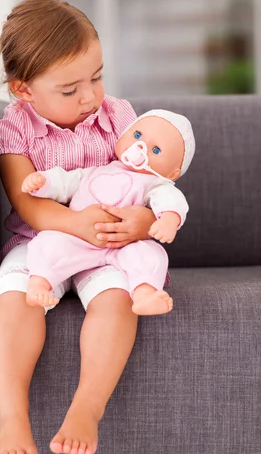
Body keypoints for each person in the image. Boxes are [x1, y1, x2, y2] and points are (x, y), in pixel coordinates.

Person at [0, 0, 157, 454]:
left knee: (117, 300)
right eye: (70, 89)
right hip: (40, 242)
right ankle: (12, 416)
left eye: (97, 76)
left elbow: (147, 184)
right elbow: (27, 203)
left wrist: (142, 222)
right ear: (24, 90)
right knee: (17, 298)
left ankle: (88, 405)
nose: (90, 96)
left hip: (105, 247)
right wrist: (74, 223)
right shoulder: (14, 130)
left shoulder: (119, 117)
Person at [21, 109, 195, 315]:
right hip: (79, 238)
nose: (140, 147)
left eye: (156, 150)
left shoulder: (154, 183)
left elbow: (171, 200)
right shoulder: (98, 170)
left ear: (172, 173)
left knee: (152, 254)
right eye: (137, 136)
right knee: (49, 242)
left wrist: (168, 219)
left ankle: (144, 294)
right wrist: (44, 182)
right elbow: (68, 181)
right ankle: (39, 283)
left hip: (124, 246)